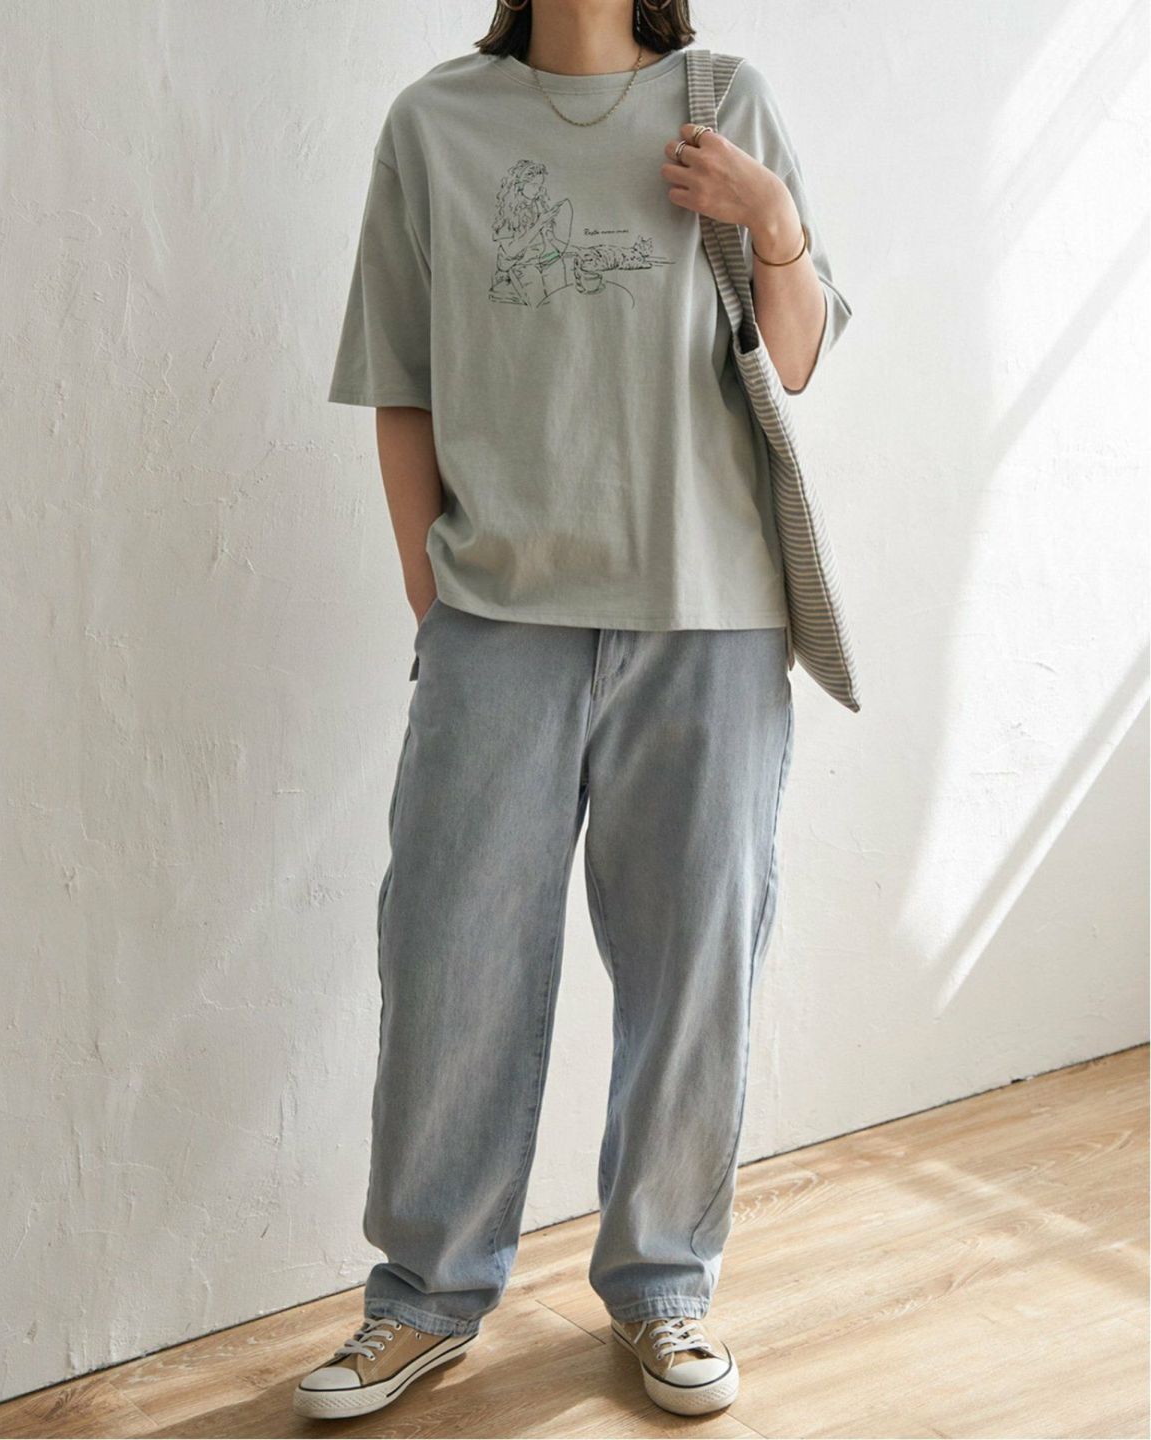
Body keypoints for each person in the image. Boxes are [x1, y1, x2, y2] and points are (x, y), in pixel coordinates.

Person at [293, 0, 851, 1421]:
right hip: (499, 619)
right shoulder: (435, 125)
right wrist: (436, 598)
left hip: (709, 616)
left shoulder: (725, 98)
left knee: (693, 969)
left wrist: (771, 219)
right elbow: (401, 382)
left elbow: (794, 358)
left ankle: (664, 1285)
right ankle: (423, 1297)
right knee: (451, 957)